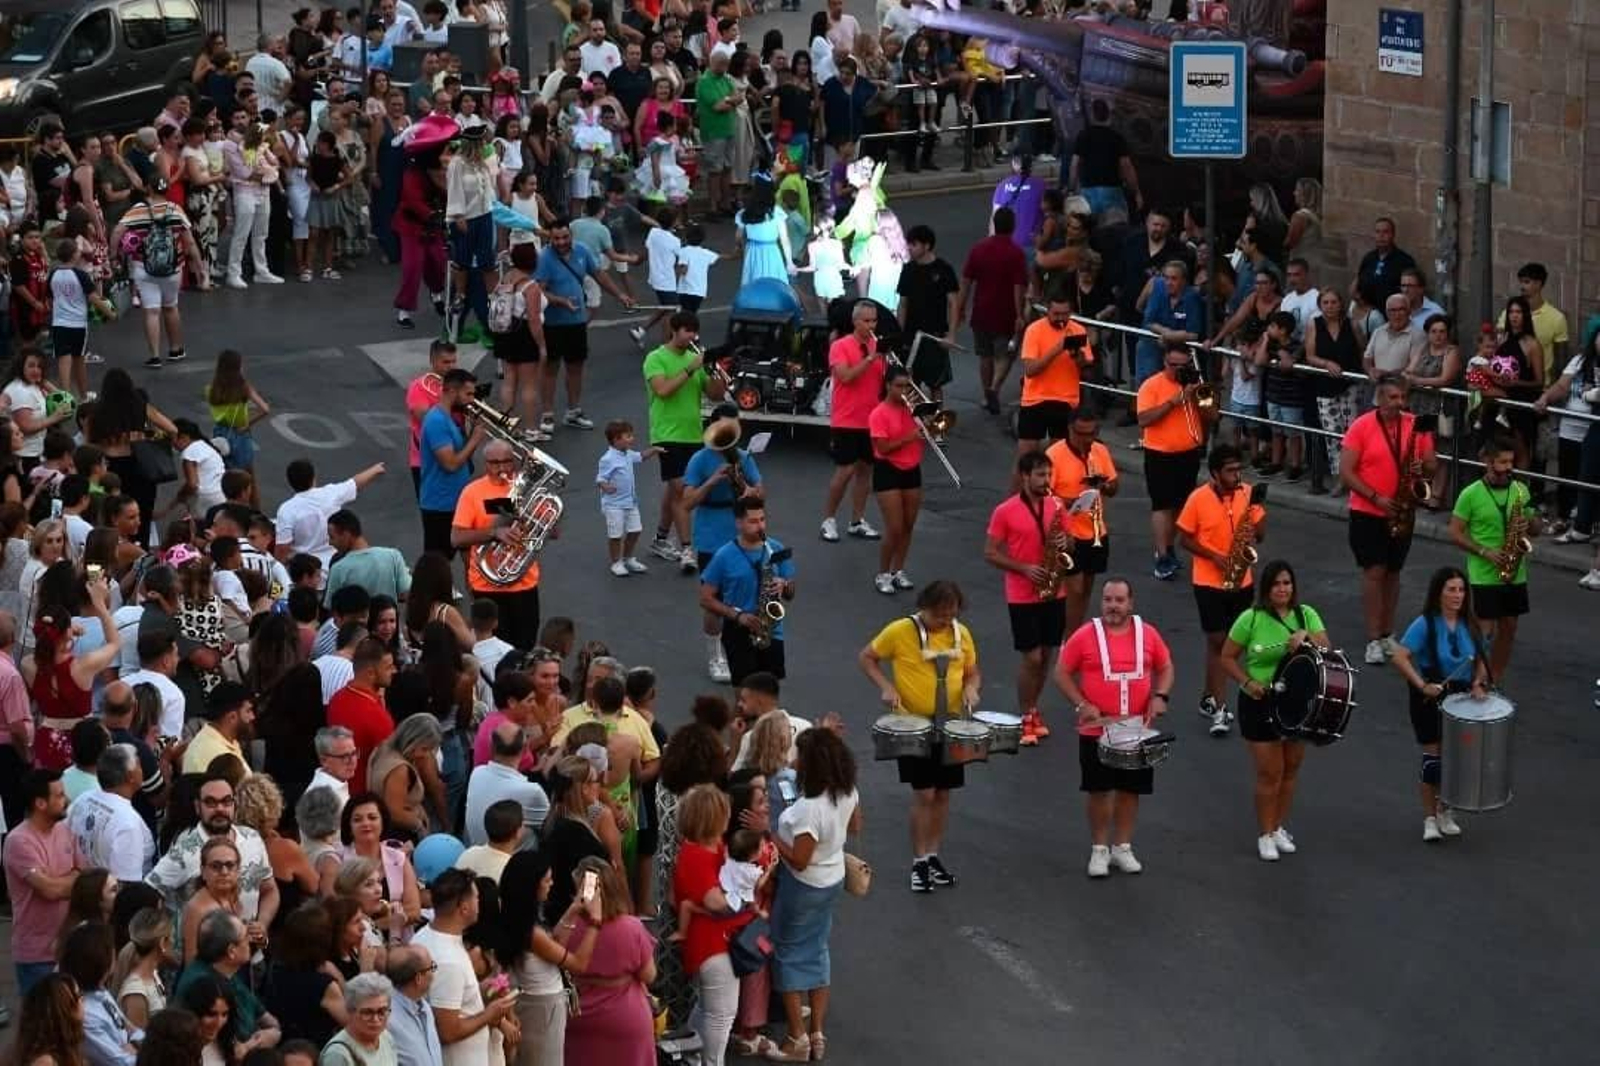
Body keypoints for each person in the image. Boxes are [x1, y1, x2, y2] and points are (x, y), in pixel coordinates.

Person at [858, 581, 977, 892]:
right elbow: (867, 657)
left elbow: (973, 672)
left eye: (951, 616)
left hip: (950, 724)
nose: (945, 621)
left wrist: (971, 688)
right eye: (940, 616)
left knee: (943, 794)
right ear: (924, 607)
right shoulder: (900, 631)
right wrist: (887, 686)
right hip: (913, 726)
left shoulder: (960, 633)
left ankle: (934, 856)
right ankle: (919, 860)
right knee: (924, 793)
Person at [1053, 577, 1172, 877]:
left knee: (1130, 791)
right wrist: (1081, 705)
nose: (1113, 606)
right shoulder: (1084, 635)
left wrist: (1159, 696)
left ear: (1130, 603)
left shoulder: (1148, 634)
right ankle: (1099, 850)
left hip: (1136, 729)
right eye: (1108, 600)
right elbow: (1062, 673)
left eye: (1119, 600)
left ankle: (1122, 847)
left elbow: (1166, 667)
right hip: (1096, 730)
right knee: (1099, 790)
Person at [1218, 560, 1332, 862]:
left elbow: (1327, 648)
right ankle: (1265, 833)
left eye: (1287, 583)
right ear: (1266, 588)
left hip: (1296, 703)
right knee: (1270, 772)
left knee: (1291, 768)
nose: (1282, 589)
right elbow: (1227, 658)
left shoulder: (1306, 614)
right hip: (1260, 702)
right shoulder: (1250, 619)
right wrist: (1247, 682)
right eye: (1277, 584)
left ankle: (1279, 826)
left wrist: (1307, 637)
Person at [764, 727, 858, 1063]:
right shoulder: (848, 792)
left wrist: (773, 837)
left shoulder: (808, 809)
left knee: (787, 953)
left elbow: (800, 861)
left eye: (800, 755)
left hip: (803, 887)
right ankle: (817, 1031)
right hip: (832, 880)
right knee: (817, 950)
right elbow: (855, 827)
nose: (796, 760)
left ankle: (797, 1037)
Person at [1390, 567, 1493, 842]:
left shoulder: (1470, 624)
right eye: (1451, 589)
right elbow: (1400, 656)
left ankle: (1445, 809)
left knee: (1455, 759)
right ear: (1439, 593)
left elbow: (1481, 658)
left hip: (1460, 697)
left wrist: (1478, 683)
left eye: (1461, 590)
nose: (1458, 595)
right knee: (1433, 761)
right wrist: (1422, 684)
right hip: (1430, 696)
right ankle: (1429, 818)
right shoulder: (1425, 623)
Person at [1340, 373, 1437, 665]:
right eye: (1393, 398)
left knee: (1393, 573)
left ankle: (1386, 633)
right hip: (1368, 511)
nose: (1400, 403)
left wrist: (1425, 468)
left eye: (1403, 398)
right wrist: (1376, 497)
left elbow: (1432, 466)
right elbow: (1346, 472)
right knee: (1375, 572)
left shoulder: (1415, 426)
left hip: (1403, 510)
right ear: (1380, 398)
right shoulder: (1362, 426)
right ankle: (1373, 638)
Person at [1176, 445, 1267, 738]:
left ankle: (1209, 695)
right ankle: (1221, 707)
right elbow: (1185, 540)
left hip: (1242, 580)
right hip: (1208, 581)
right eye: (1230, 470)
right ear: (1215, 473)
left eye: (1238, 469)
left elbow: (1262, 534)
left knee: (1229, 645)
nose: (1236, 474)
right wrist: (1214, 557)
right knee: (1219, 641)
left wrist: (1255, 529)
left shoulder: (1247, 493)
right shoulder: (1197, 498)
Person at [983, 451, 1072, 746]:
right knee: (1031, 657)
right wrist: (1023, 568)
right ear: (1024, 476)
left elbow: (1070, 543)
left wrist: (1064, 543)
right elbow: (990, 553)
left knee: (1046, 656)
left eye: (1048, 475)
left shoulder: (1057, 505)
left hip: (1053, 589)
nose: (1046, 481)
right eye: (1040, 475)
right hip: (1022, 593)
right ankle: (1024, 714)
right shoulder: (1005, 511)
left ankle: (1034, 709)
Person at [532, 217, 634, 436]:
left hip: (576, 321)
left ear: (571, 235)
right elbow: (538, 291)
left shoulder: (582, 251)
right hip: (552, 323)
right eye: (556, 238)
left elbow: (599, 274)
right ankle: (547, 414)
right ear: (550, 238)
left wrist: (620, 295)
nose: (560, 242)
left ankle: (573, 411)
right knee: (551, 369)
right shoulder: (544, 258)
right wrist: (560, 301)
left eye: (564, 237)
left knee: (575, 367)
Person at [1448, 437, 1538, 681]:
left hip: (1515, 571)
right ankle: (1476, 680)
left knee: (1509, 629)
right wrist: (1484, 551)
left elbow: (1537, 527)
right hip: (1484, 572)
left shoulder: (1520, 490)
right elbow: (1454, 532)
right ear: (1487, 462)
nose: (1509, 467)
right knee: (1485, 632)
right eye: (1502, 462)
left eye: (1511, 461)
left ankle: (1495, 678)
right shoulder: (1470, 494)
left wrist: (1529, 522)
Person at [669, 784, 747, 1065]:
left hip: (712, 943)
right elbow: (717, 903)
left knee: (707, 1009)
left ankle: (690, 1055)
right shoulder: (698, 856)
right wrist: (747, 894)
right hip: (713, 946)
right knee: (722, 1014)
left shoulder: (704, 848)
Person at [643, 312, 727, 571]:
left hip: (692, 434)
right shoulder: (655, 358)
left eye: (694, 332)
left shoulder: (695, 359)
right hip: (666, 433)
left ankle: (659, 538)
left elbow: (714, 396)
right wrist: (691, 368)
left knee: (674, 489)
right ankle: (688, 549)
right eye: (687, 331)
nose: (692, 337)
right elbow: (663, 390)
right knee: (681, 489)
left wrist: (717, 373)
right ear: (674, 331)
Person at [683, 408, 763, 680]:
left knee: (745, 590)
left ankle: (741, 645)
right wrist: (713, 479)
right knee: (713, 600)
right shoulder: (699, 459)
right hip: (710, 535)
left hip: (742, 532)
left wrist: (750, 491)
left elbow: (761, 491)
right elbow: (687, 503)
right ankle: (715, 655)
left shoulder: (743, 457)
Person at [409, 870, 518, 1066]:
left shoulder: (424, 937)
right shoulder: (448, 961)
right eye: (476, 897)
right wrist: (490, 1014)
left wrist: (483, 989)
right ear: (464, 907)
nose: (479, 903)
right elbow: (447, 1031)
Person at [559, 856, 656, 1066]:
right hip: (626, 1018)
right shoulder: (632, 927)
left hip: (579, 1016)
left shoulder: (569, 926)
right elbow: (649, 974)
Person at [1137, 341, 1213, 581]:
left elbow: (1213, 415)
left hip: (1188, 453)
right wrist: (1173, 402)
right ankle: (1161, 556)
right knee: (1162, 505)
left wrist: (1200, 398)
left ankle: (1169, 548)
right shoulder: (1152, 386)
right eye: (1174, 366)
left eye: (1184, 365)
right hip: (1159, 453)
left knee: (1180, 506)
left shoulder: (1197, 384)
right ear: (1165, 363)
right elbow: (1144, 419)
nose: (1179, 370)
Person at [699, 498, 796, 685]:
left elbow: (791, 593)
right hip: (738, 632)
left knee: (770, 694)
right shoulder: (723, 556)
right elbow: (705, 598)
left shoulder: (775, 549)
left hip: (772, 631)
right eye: (753, 521)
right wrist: (738, 615)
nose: (760, 526)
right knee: (744, 695)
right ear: (738, 523)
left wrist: (784, 584)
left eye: (762, 519)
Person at [109, 177, 202, 369]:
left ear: (148, 189)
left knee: (151, 311)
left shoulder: (138, 210)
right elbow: (190, 241)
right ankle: (176, 349)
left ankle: (154, 355)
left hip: (144, 267)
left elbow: (117, 232)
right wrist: (201, 268)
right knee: (171, 306)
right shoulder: (175, 209)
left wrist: (113, 256)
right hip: (172, 268)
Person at [4, 769, 81, 994]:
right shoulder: (19, 841)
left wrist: (62, 882)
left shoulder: (64, 831)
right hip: (36, 957)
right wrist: (70, 880)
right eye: (59, 795)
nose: (66, 800)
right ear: (40, 803)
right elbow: (49, 890)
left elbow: (83, 874)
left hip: (67, 948)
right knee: (42, 1025)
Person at [1043, 404, 1118, 633]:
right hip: (1068, 534)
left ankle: (1073, 633)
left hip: (1095, 532)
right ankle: (1069, 640)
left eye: (1092, 434)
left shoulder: (1100, 451)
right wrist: (1073, 500)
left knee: (1085, 589)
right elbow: (1045, 497)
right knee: (1073, 589)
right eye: (1081, 434)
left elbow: (1114, 486)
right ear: (1070, 430)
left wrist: (1105, 485)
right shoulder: (1054, 455)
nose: (1087, 439)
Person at [819, 301, 886, 545]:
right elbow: (845, 377)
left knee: (865, 471)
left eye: (874, 321)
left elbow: (882, 383)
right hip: (846, 419)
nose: (871, 325)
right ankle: (828, 519)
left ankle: (857, 521)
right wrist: (870, 359)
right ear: (855, 322)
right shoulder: (840, 346)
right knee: (845, 469)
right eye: (866, 321)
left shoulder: (879, 347)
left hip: (872, 419)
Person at [955, 206, 1028, 414]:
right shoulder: (1016, 253)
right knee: (1006, 354)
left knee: (984, 355)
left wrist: (960, 308)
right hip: (1005, 312)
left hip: (981, 310)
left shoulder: (978, 249)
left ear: (994, 224)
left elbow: (966, 282)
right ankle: (995, 388)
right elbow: (1018, 287)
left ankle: (986, 393)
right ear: (1013, 226)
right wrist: (1020, 314)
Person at [1015, 293, 1092, 467]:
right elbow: (1031, 370)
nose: (1061, 319)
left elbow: (1087, 372)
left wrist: (1078, 357)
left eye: (1065, 314)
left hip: (1066, 401)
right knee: (1025, 461)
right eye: (1056, 314)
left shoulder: (1078, 330)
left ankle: (1052, 494)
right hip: (1035, 400)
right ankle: (1017, 495)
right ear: (1047, 312)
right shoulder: (1034, 330)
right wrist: (1058, 349)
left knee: (1057, 461)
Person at [868, 364, 925, 594]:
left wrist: (929, 423)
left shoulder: (915, 410)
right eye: (899, 386)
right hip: (887, 470)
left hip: (912, 469)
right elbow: (883, 448)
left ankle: (897, 570)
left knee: (908, 525)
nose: (903, 391)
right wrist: (910, 437)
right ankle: (882, 573)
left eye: (907, 386)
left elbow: (932, 432)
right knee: (894, 527)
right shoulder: (879, 414)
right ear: (888, 386)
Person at [419, 369, 486, 560]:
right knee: (438, 564)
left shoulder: (449, 418)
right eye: (468, 394)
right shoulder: (437, 421)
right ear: (452, 391)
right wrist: (475, 439)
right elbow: (450, 464)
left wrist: (472, 434)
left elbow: (461, 458)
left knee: (472, 561)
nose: (472, 400)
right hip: (440, 506)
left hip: (459, 502)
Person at [274, 459, 386, 567]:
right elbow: (354, 483)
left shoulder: (287, 510)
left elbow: (282, 549)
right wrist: (375, 469)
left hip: (306, 572)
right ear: (313, 478)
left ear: (290, 482)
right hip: (336, 564)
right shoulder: (331, 493)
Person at [69, 745, 156, 884]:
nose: (142, 769)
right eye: (139, 765)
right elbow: (126, 885)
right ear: (130, 777)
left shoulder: (83, 799)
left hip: (83, 890)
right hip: (107, 899)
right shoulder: (128, 824)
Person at [319, 973, 398, 1066]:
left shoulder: (386, 1037)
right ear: (350, 1011)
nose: (375, 1019)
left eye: (382, 1011)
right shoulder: (338, 1054)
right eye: (367, 1012)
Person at [13, 974, 88, 1066]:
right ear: (64, 1008)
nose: (83, 1000)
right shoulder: (45, 1062)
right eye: (79, 995)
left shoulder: (66, 1047)